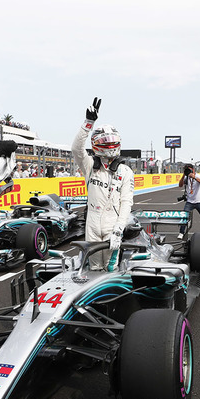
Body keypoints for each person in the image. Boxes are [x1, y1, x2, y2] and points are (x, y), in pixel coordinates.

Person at [72, 97, 134, 270]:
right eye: (104, 141)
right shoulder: (90, 166)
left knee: (110, 268)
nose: (109, 144)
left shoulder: (125, 172)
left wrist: (118, 229)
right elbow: (76, 149)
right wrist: (88, 123)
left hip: (112, 223)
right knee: (94, 268)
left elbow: (126, 203)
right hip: (92, 220)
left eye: (111, 140)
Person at [178, 163, 200, 239]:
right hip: (189, 202)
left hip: (199, 201)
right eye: (186, 170)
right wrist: (184, 175)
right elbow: (180, 185)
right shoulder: (186, 178)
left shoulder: (198, 176)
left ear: (193, 169)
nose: (188, 171)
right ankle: (181, 233)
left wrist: (194, 177)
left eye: (189, 170)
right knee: (184, 217)